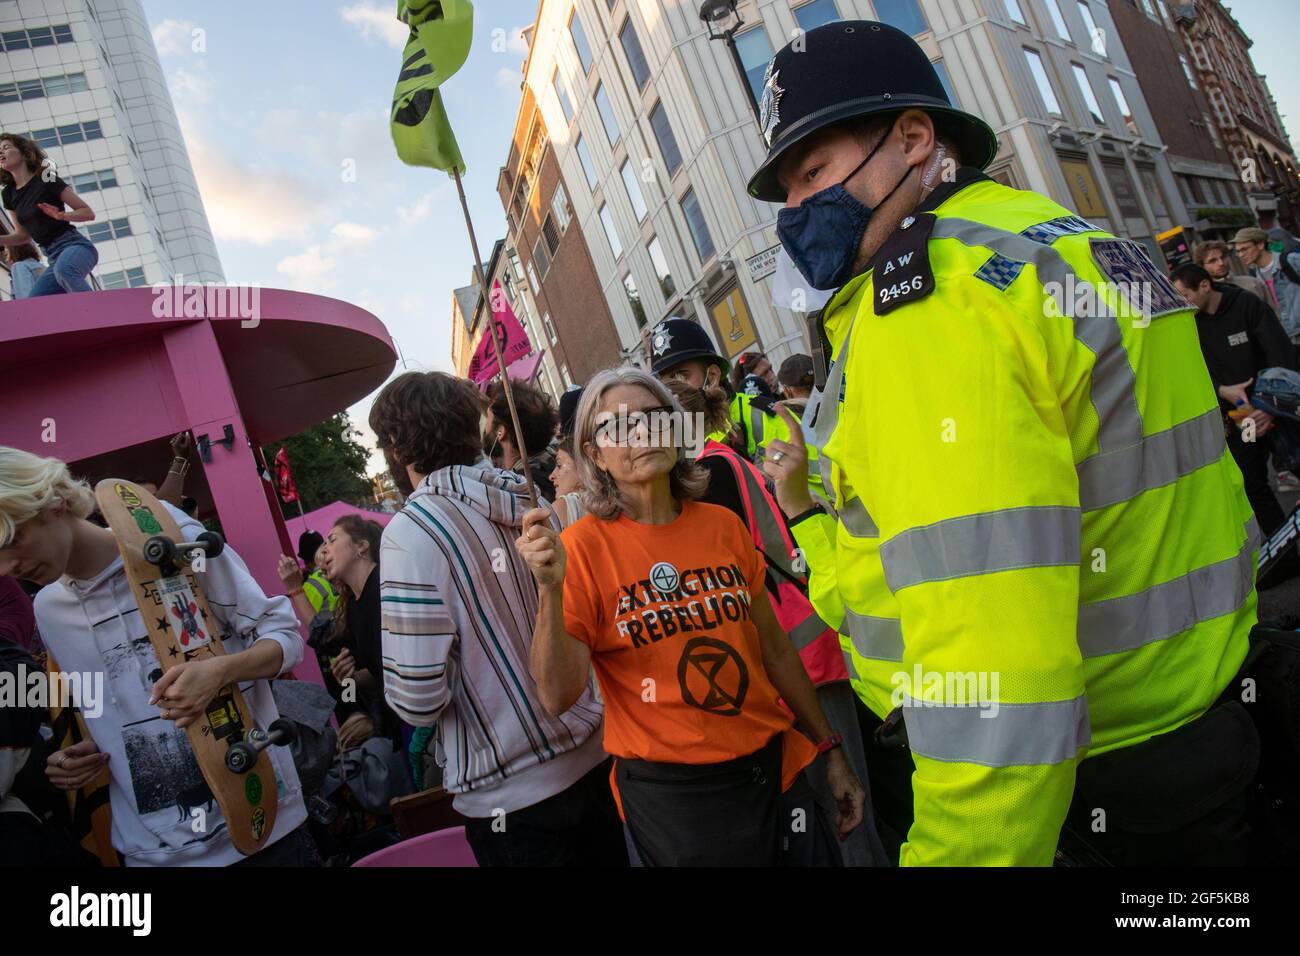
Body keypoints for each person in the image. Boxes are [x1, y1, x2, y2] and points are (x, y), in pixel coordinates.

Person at [749, 20, 1260, 866]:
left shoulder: (933, 304)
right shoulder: (1059, 236)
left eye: (813, 172)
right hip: (1202, 723)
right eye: (789, 191)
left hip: (1087, 779)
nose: (798, 211)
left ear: (914, 139)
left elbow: (992, 668)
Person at [517, 366, 864, 866]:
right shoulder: (583, 549)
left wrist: (830, 750)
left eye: (654, 417)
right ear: (595, 455)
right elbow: (557, 695)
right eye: (617, 426)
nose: (642, 433)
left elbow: (776, 651)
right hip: (677, 806)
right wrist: (550, 593)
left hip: (776, 774)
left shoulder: (722, 526)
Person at [0, 446, 315, 866]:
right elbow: (102, 711)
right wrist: (80, 758)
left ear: (53, 501)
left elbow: (286, 635)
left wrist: (221, 671)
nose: (7, 566)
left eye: (12, 539)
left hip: (264, 826)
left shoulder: (169, 538)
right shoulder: (48, 610)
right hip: (153, 856)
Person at [370, 371, 626, 867]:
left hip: (510, 800)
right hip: (596, 762)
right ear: (475, 428)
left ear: (398, 448)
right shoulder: (532, 498)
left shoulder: (410, 534)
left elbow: (417, 699)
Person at [667, 378, 884, 866]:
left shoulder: (707, 472)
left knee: (845, 813)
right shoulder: (722, 459)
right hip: (804, 641)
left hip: (796, 653)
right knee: (846, 805)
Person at [1173, 262, 1297, 534]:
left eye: (1185, 294)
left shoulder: (1246, 305)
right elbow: (1193, 367)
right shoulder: (1190, 323)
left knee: (1295, 462)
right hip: (1241, 415)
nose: (1183, 302)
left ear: (1205, 285)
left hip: (1275, 408)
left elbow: (1280, 355)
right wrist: (1221, 390)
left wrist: (1270, 406)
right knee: (1252, 482)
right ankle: (1286, 556)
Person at [649, 318, 794, 466]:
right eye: (662, 383)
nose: (670, 390)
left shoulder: (760, 415)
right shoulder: (670, 440)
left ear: (712, 377)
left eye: (680, 377)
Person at [0, 134, 99, 296]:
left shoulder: (47, 180)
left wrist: (62, 216)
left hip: (76, 246)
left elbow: (87, 213)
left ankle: (99, 315)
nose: (1, 153)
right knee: (36, 303)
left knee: (65, 270)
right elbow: (22, 235)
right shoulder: (8, 194)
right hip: (53, 258)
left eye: (6, 147)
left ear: (24, 153)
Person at [485, 378, 559, 503]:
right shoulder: (556, 466)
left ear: (501, 432)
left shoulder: (519, 490)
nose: (485, 427)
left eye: (487, 417)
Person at [1235, 226, 1300, 343]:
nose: (1240, 255)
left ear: (1260, 245)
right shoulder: (1257, 277)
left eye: (1244, 249)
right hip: (1290, 337)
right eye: (1238, 251)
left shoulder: (1290, 260)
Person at [1195, 239, 1276, 313]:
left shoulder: (1252, 283)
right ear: (1202, 266)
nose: (1221, 263)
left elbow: (1275, 313)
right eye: (1213, 261)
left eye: (1223, 257)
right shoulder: (1205, 297)